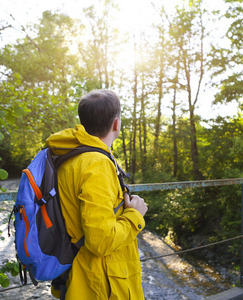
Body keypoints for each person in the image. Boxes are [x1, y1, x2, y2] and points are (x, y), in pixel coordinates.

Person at [45, 89, 148, 299]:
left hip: (81, 274)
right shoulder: (97, 164)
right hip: (100, 284)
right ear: (116, 124)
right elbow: (101, 241)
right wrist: (135, 215)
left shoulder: (70, 158)